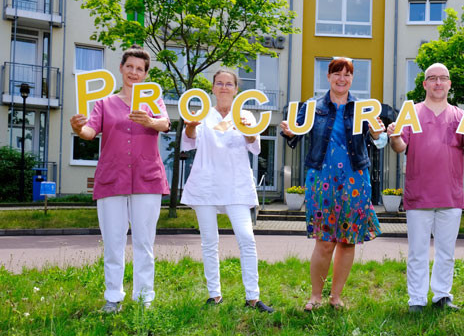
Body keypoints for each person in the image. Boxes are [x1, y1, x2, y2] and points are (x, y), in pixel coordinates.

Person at [280, 57, 387, 311]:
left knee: (348, 240)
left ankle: (336, 297)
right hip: (322, 178)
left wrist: (377, 134)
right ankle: (316, 296)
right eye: (337, 73)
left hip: (355, 180)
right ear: (328, 77)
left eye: (347, 74)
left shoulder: (363, 108)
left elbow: (380, 142)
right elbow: (295, 133)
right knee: (324, 240)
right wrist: (289, 132)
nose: (342, 78)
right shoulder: (312, 106)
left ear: (353, 78)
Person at [69, 45, 169, 313]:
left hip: (147, 180)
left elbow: (165, 124)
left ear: (146, 74)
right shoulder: (104, 103)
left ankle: (144, 297)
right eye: (130, 67)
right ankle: (113, 297)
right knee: (113, 241)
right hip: (112, 179)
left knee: (144, 241)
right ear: (121, 69)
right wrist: (79, 128)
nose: (134, 72)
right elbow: (90, 131)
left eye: (140, 68)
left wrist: (149, 120)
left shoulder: (153, 100)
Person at [387, 63, 464, 313]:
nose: (438, 83)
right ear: (424, 84)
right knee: (417, 252)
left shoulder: (461, 115)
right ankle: (417, 299)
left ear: (450, 84)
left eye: (443, 78)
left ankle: (442, 295)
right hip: (418, 194)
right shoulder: (410, 112)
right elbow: (400, 147)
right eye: (433, 78)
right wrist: (394, 136)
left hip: (450, 195)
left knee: (446, 251)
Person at [180, 69, 273, 313]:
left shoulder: (245, 115)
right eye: (219, 83)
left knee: (246, 238)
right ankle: (215, 295)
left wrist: (248, 131)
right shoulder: (202, 114)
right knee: (209, 241)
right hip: (206, 185)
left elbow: (255, 146)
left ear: (236, 89)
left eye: (229, 84)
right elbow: (189, 141)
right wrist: (190, 126)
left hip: (236, 186)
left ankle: (253, 297)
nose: (224, 87)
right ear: (212, 88)